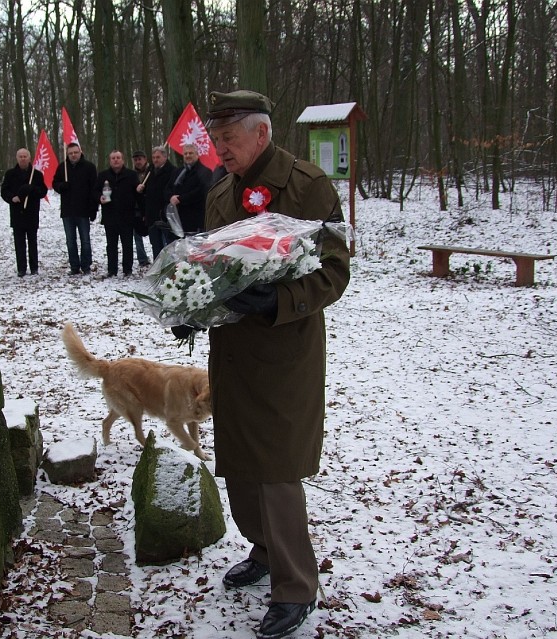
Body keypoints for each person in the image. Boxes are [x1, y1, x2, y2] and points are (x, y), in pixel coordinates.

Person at [201, 90, 351, 639]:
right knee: (240, 461)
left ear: (260, 133)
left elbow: (335, 269)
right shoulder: (219, 190)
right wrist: (193, 309)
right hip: (234, 351)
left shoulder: (306, 186)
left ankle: (295, 587)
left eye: (228, 139)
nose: (220, 149)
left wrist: (278, 302)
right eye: (215, 140)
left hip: (285, 351)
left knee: (277, 469)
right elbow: (214, 265)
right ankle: (262, 551)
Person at [0, 147, 47, 276]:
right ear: (17, 158)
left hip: (31, 212)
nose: (23, 158)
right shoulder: (10, 174)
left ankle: (34, 267)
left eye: (25, 156)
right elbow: (4, 191)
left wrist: (32, 189)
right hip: (17, 213)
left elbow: (43, 191)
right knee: (19, 242)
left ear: (29, 158)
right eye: (20, 156)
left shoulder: (36, 174)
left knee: (33, 242)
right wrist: (12, 198)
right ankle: (21, 268)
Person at [52, 142, 98, 275]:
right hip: (67, 211)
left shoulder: (89, 167)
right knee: (70, 241)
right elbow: (54, 183)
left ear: (80, 152)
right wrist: (61, 186)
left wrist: (93, 209)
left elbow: (94, 189)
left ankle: (86, 265)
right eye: (70, 153)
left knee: (85, 240)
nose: (73, 155)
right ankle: (74, 266)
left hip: (83, 210)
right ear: (67, 154)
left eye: (75, 152)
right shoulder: (62, 167)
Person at [94, 150, 139, 277]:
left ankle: (127, 269)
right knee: (111, 245)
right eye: (113, 158)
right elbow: (95, 191)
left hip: (127, 215)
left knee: (127, 244)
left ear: (123, 160)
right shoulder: (103, 175)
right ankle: (112, 270)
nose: (116, 160)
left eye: (118, 158)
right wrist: (99, 198)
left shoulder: (131, 175)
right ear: (110, 161)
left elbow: (137, 194)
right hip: (110, 215)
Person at [137, 145, 176, 258]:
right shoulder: (150, 171)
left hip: (165, 215)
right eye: (153, 157)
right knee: (155, 245)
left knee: (169, 244)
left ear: (165, 157)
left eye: (158, 157)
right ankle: (157, 268)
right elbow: (147, 193)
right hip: (152, 215)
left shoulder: (172, 171)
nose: (155, 160)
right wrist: (141, 189)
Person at [164, 143, 212, 234]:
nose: (188, 156)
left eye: (191, 153)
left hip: (196, 219)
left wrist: (180, 199)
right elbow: (167, 188)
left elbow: (200, 192)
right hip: (178, 219)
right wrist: (171, 197)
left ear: (197, 155)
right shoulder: (178, 171)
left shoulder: (204, 171)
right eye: (185, 154)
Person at [131, 150, 151, 268]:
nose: (138, 162)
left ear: (145, 159)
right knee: (137, 235)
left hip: (149, 208)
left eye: (140, 159)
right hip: (136, 209)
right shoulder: (132, 175)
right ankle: (142, 259)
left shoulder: (151, 172)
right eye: (136, 160)